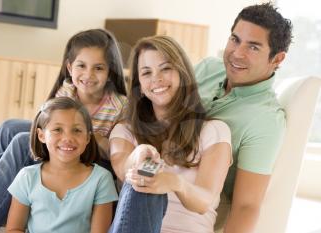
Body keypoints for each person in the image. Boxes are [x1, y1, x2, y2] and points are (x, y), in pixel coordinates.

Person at [109, 3, 293, 233]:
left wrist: (175, 183)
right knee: (142, 179)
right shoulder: (209, 68)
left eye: (253, 47)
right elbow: (160, 97)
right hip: (141, 205)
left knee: (146, 182)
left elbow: (247, 206)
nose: (237, 53)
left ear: (277, 58)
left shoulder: (264, 120)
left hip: (198, 205)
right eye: (235, 39)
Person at [0, 28, 127, 233]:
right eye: (82, 66)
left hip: (90, 156)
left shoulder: (119, 105)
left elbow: (117, 150)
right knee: (9, 127)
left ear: (110, 72)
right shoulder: (67, 91)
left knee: (20, 141)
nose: (88, 74)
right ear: (70, 68)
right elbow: (47, 122)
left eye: (98, 68)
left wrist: (93, 137)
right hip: (61, 149)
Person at [108, 35, 232, 233]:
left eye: (165, 68)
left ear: (182, 74)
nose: (156, 79)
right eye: (146, 73)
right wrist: (138, 155)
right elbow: (123, 168)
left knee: (147, 178)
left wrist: (175, 183)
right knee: (141, 177)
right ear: (139, 86)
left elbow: (204, 201)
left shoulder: (213, 131)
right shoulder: (124, 130)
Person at [6, 97, 118, 233]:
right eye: (57, 129)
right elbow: (14, 229)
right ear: (41, 135)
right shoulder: (27, 177)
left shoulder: (101, 179)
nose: (68, 138)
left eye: (76, 130)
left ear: (88, 138)